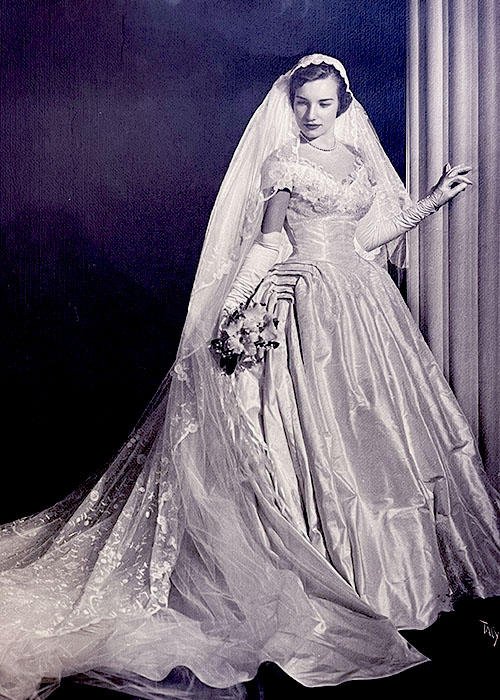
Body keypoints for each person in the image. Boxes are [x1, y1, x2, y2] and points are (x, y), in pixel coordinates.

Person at [0, 54, 499, 700]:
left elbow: (373, 233)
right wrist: (233, 309)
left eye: (324, 103)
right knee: (321, 443)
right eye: (303, 104)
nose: (313, 114)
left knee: (383, 435)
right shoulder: (285, 165)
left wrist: (432, 199)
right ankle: (336, 574)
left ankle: (396, 579)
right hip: (307, 309)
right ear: (289, 106)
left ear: (343, 104)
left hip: (366, 309)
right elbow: (267, 243)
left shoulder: (357, 160)